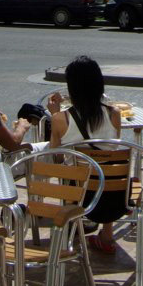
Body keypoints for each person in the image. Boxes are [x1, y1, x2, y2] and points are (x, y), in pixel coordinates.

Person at [49, 55, 122, 254]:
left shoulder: (60, 119)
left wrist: (54, 113)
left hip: (78, 195)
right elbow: (112, 150)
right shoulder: (114, 114)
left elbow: (55, 157)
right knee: (107, 169)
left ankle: (73, 226)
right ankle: (107, 235)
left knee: (73, 171)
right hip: (115, 197)